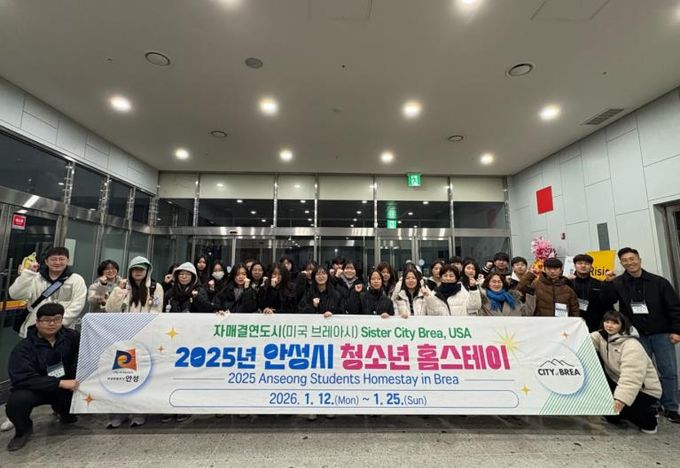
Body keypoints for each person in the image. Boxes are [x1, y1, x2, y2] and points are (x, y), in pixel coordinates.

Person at [601, 247, 680, 423]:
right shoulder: (618, 282)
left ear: (639, 259)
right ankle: (652, 404)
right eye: (625, 260)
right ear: (621, 263)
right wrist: (607, 283)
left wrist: (676, 330)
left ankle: (671, 407)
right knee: (642, 373)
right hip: (635, 337)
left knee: (668, 371)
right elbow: (607, 301)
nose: (630, 263)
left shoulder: (659, 282)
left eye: (632, 259)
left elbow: (674, 307)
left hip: (661, 333)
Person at [5, 303, 79, 451]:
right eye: (46, 320)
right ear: (37, 322)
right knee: (16, 403)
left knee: (74, 408)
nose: (52, 324)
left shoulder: (71, 336)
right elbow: (23, 378)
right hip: (37, 389)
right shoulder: (24, 348)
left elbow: (88, 350)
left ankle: (63, 410)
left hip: (66, 386)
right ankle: (23, 431)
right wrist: (58, 383)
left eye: (57, 319)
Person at [103, 256, 163, 428]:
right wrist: (119, 291)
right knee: (121, 375)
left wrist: (141, 328)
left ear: (147, 271)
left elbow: (156, 311)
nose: (138, 272)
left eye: (141, 269)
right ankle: (118, 413)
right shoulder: (122, 287)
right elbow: (110, 310)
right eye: (135, 269)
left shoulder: (155, 287)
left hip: (145, 339)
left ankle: (139, 412)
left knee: (142, 376)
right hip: (123, 339)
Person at [591, 311, 662, 434]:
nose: (609, 325)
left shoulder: (632, 346)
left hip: (644, 390)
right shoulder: (601, 337)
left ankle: (650, 417)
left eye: (614, 323)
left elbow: (631, 378)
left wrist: (621, 399)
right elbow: (582, 341)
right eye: (607, 322)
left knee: (630, 412)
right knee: (611, 415)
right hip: (618, 382)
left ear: (622, 325)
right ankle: (621, 413)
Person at [9, 246, 87, 338]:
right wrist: (28, 274)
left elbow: (77, 305)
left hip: (62, 332)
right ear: (46, 261)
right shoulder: (36, 277)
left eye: (61, 259)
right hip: (34, 329)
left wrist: (57, 324)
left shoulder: (76, 280)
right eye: (53, 259)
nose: (57, 262)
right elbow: (15, 294)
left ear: (67, 261)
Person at [568, 254, 613, 332]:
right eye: (580, 263)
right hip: (573, 323)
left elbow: (608, 304)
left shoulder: (599, 284)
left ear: (591, 266)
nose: (583, 266)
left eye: (587, 264)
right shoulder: (568, 283)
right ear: (575, 266)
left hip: (595, 325)